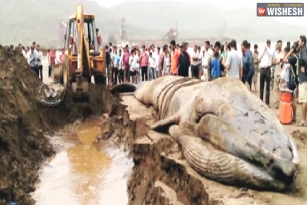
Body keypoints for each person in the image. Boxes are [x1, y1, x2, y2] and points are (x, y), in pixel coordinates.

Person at [280, 46, 298, 122]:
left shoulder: (294, 58)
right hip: (293, 80)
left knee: (293, 98)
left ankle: (294, 116)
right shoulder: (296, 57)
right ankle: (292, 115)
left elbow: (284, 60)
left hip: (293, 81)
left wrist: (289, 53)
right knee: (292, 98)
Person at [258, 39, 274, 107]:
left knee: (267, 87)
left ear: (270, 44)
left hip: (267, 69)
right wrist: (264, 50)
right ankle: (261, 101)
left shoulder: (270, 50)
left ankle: (267, 102)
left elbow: (271, 54)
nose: (267, 44)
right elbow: (259, 58)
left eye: (268, 43)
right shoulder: (262, 50)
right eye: (267, 43)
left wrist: (267, 48)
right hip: (262, 69)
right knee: (261, 86)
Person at [297, 35, 307, 126]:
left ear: (303, 42)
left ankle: (303, 120)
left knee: (304, 100)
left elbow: (305, 60)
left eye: (299, 41)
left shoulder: (303, 50)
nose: (298, 42)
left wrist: (305, 68)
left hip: (304, 78)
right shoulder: (303, 50)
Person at [272, 40, 284, 109]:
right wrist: (277, 62)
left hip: (282, 73)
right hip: (276, 72)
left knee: (281, 88)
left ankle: (281, 102)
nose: (279, 46)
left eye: (280, 45)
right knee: (276, 88)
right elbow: (273, 62)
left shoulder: (284, 53)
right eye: (278, 44)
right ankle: (276, 102)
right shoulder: (275, 53)